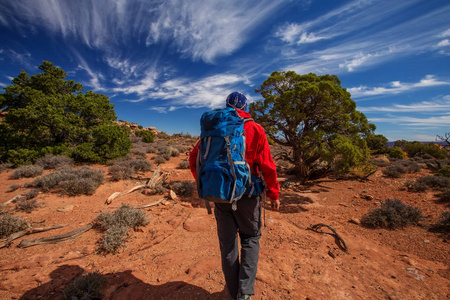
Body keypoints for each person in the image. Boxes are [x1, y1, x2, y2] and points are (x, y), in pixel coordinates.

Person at [189, 92, 280, 300]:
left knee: (227, 244)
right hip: (248, 194)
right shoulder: (255, 128)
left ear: (227, 105)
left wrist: (209, 183)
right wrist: (274, 193)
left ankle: (232, 291)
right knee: (250, 238)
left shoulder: (214, 128)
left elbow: (194, 157)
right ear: (246, 107)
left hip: (221, 195)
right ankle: (244, 293)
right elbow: (267, 165)